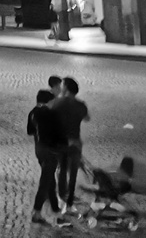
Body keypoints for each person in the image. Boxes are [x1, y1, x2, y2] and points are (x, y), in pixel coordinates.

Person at [27, 88, 70, 227]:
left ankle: (56, 211)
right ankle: (37, 212)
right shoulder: (50, 114)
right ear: (47, 102)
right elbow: (59, 135)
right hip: (50, 152)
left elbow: (30, 131)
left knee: (50, 181)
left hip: (39, 150)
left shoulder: (33, 112)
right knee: (46, 182)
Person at [51, 76, 89, 211]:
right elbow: (87, 118)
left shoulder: (57, 102)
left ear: (66, 88)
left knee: (61, 169)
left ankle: (61, 196)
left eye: (62, 85)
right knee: (73, 171)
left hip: (61, 142)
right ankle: (70, 198)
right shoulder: (81, 105)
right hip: (75, 143)